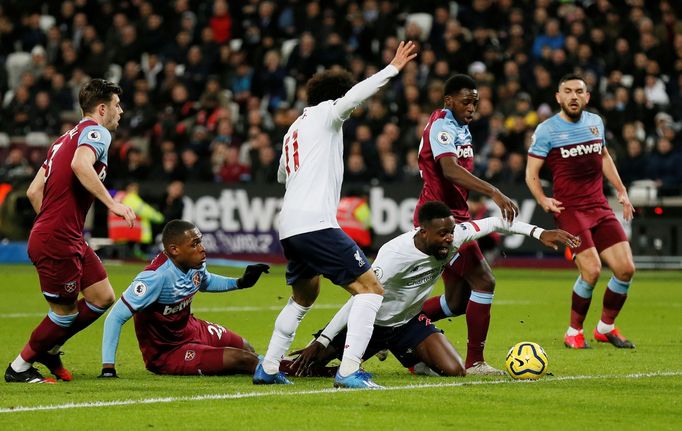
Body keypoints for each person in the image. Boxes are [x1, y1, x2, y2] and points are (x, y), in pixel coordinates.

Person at [254, 41, 418, 389]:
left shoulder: (293, 129)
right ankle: (348, 371)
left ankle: (268, 367)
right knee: (371, 290)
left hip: (290, 225)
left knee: (304, 296)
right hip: (316, 222)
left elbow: (283, 173)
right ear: (334, 97)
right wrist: (392, 69)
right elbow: (355, 97)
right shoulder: (328, 113)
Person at [288, 201, 579, 378]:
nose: (449, 240)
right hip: (372, 323)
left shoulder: (455, 238)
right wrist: (324, 340)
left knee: (454, 371)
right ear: (422, 232)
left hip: (407, 324)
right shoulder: (394, 254)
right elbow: (360, 298)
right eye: (442, 234)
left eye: (451, 232)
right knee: (306, 367)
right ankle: (265, 362)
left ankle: (409, 355)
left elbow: (495, 222)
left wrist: (539, 232)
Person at [5, 79, 136, 383]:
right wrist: (111, 203)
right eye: (117, 105)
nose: (121, 111)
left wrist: (55, 223)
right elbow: (81, 165)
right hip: (59, 237)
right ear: (102, 108)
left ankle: (51, 346)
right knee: (64, 314)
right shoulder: (97, 132)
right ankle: (19, 367)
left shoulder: (63, 139)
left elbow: (34, 192)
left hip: (65, 234)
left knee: (102, 296)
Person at [414, 74, 520, 375]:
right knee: (484, 281)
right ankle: (475, 363)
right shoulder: (442, 126)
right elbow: (448, 169)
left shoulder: (461, 127)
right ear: (449, 101)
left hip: (454, 216)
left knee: (456, 301)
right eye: (466, 101)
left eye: (475, 101)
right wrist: (493, 191)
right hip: (441, 225)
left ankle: (395, 328)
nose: (472, 107)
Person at [525, 74, 636, 349]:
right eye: (567, 91)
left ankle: (605, 328)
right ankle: (573, 331)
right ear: (558, 97)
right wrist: (542, 199)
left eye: (579, 91)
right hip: (570, 210)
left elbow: (604, 157)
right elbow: (531, 174)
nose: (573, 96)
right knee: (592, 271)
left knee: (625, 269)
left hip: (598, 205)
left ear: (587, 97)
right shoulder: (546, 130)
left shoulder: (596, 123)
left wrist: (621, 190)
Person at [99, 220, 270, 377]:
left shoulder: (195, 263)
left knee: (246, 347)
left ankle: (281, 367)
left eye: (200, 241)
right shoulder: (155, 277)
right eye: (194, 244)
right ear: (175, 250)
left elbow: (206, 281)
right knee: (242, 359)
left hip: (191, 328)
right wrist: (108, 368)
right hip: (168, 352)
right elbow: (115, 317)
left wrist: (240, 282)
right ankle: (280, 370)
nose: (202, 248)